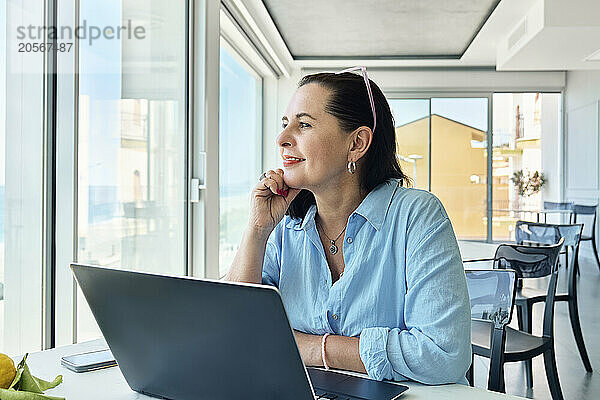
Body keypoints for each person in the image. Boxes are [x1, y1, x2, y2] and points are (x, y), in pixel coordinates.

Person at [224, 68, 471, 384]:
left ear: (356, 144)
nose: (282, 139)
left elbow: (443, 354)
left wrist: (312, 349)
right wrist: (258, 229)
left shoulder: (417, 215)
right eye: (285, 125)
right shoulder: (286, 229)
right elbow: (236, 328)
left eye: (304, 125)